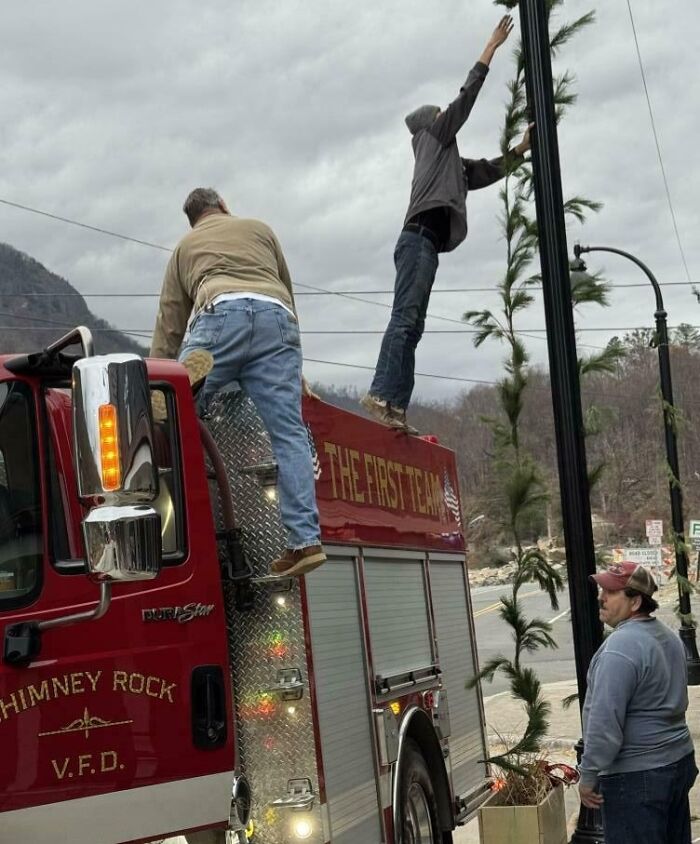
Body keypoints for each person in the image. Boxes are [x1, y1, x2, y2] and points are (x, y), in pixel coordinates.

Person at [362, 15, 532, 434]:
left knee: (413, 326)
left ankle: (395, 408)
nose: (446, 117)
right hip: (418, 239)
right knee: (405, 319)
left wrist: (522, 149)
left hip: (427, 245)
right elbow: (465, 100)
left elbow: (487, 170)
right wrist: (490, 48)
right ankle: (382, 393)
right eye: (441, 114)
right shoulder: (433, 138)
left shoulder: (450, 167)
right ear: (431, 124)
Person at [150, 187, 325, 577]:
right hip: (277, 321)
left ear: (193, 220)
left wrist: (156, 379)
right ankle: (305, 541)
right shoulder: (261, 229)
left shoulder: (185, 247)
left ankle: (185, 391)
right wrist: (295, 368)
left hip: (219, 313)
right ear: (224, 206)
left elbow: (170, 321)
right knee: (289, 434)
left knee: (176, 417)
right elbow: (287, 291)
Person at [579, 561, 697, 843]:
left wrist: (588, 775)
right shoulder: (669, 637)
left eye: (611, 591)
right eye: (602, 589)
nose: (601, 597)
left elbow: (604, 723)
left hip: (636, 776)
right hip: (678, 761)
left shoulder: (619, 649)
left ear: (635, 601)